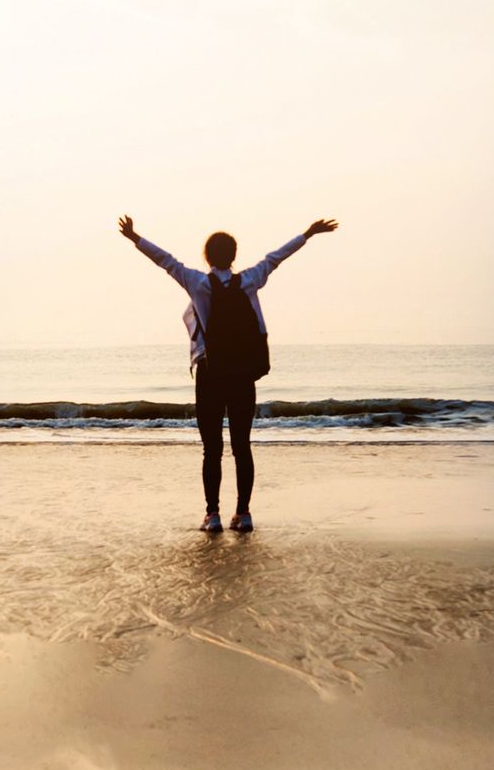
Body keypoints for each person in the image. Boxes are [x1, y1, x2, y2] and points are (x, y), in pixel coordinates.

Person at [120, 210, 336, 536]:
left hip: (211, 372)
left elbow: (165, 261)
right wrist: (308, 233)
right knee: (242, 446)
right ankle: (244, 513)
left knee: (212, 449)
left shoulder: (197, 283)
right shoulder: (249, 280)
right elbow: (276, 257)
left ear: (207, 256)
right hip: (242, 373)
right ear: (234, 256)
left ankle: (213, 515)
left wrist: (135, 238)